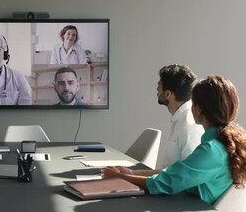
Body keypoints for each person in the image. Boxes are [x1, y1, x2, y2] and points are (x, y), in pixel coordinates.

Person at [102, 76, 246, 205]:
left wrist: (119, 177)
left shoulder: (211, 150)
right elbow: (176, 172)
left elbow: (162, 183)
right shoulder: (221, 144)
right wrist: (131, 174)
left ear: (199, 109)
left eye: (193, 103)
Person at [157, 64, 204, 168]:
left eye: (159, 85)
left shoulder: (189, 125)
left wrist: (132, 175)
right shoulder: (180, 118)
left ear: (168, 94)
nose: (156, 89)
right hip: (164, 181)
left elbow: (188, 173)